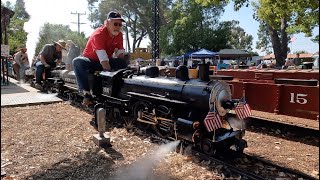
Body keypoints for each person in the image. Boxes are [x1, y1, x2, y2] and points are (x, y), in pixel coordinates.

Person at [72, 11, 127, 106]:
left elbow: (120, 54)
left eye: (120, 25)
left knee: (123, 61)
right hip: (91, 62)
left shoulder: (119, 35)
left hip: (106, 61)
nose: (118, 27)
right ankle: (86, 94)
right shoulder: (98, 34)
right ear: (107, 23)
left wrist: (122, 68)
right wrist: (110, 76)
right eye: (115, 24)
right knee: (77, 61)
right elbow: (103, 59)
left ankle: (123, 89)